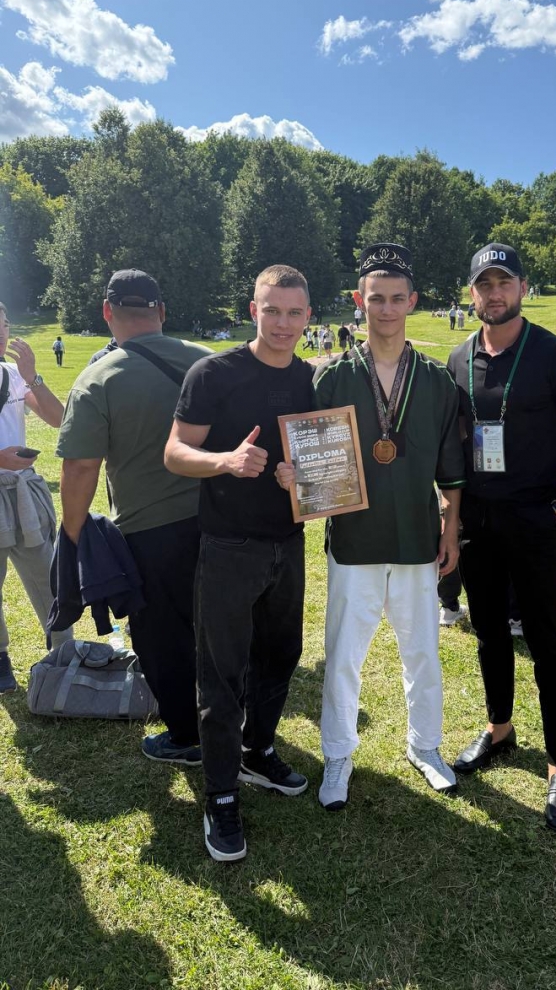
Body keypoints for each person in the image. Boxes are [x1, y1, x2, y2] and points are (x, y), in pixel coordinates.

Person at [281, 242, 465, 812]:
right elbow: (310, 455)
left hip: (416, 539)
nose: (385, 309)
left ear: (412, 301)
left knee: (423, 652)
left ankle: (425, 746)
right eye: (375, 298)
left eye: (396, 298)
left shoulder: (436, 380)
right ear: (359, 302)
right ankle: (338, 753)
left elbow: (451, 471)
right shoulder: (331, 377)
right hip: (354, 541)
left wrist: (450, 529)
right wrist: (296, 475)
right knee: (342, 655)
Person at [445, 242, 556, 832]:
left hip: (536, 521)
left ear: (523, 288)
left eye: (504, 282)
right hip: (478, 523)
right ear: (472, 293)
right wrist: (452, 513)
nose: (495, 293)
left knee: (546, 642)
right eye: (484, 284)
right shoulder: (459, 358)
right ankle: (500, 730)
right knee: (489, 633)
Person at [165, 265, 314, 863]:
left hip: (289, 544)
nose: (283, 323)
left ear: (309, 316)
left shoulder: (309, 378)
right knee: (222, 675)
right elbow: (175, 451)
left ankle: (258, 750)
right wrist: (225, 461)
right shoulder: (214, 373)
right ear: (253, 310)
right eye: (271, 310)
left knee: (281, 656)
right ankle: (221, 794)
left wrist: (301, 478)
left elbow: (323, 458)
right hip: (228, 547)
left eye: (294, 312)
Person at [58, 270, 210, 759]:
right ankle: (232, 718)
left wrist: (73, 534)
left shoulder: (97, 378)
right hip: (221, 521)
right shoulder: (207, 361)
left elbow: (81, 466)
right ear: (161, 311)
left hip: (149, 531)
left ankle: (187, 736)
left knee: (162, 636)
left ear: (107, 312)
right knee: (220, 626)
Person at [0, 304, 67, 693]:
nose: (1, 333)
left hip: (22, 491)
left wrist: (33, 378)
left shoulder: (13, 375)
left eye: (4, 325)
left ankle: (64, 651)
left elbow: (58, 419)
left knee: (47, 574)